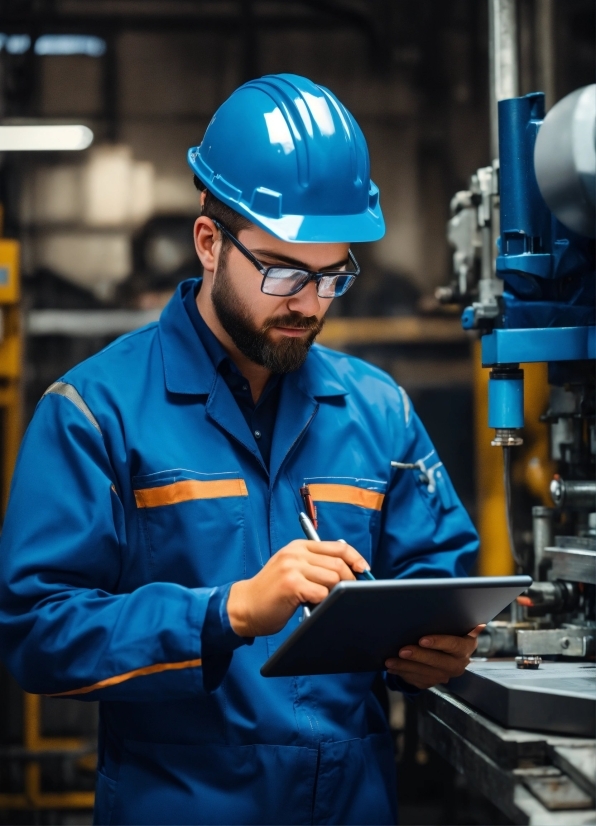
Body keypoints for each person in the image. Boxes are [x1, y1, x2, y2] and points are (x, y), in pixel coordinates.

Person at [0, 74, 479, 825]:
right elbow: (36, 634)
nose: (309, 304)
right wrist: (225, 612)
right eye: (284, 272)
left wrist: (438, 652)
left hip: (351, 806)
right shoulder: (96, 412)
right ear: (209, 242)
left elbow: (439, 577)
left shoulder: (378, 410)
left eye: (332, 276)